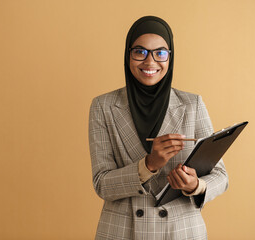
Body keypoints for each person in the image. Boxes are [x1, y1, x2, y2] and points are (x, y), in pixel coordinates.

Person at [88, 16, 228, 240]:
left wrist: (196, 185)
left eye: (160, 53)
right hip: (122, 231)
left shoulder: (192, 104)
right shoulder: (103, 106)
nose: (150, 62)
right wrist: (148, 165)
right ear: (128, 54)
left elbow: (221, 176)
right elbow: (102, 184)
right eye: (140, 52)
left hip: (181, 232)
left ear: (170, 57)